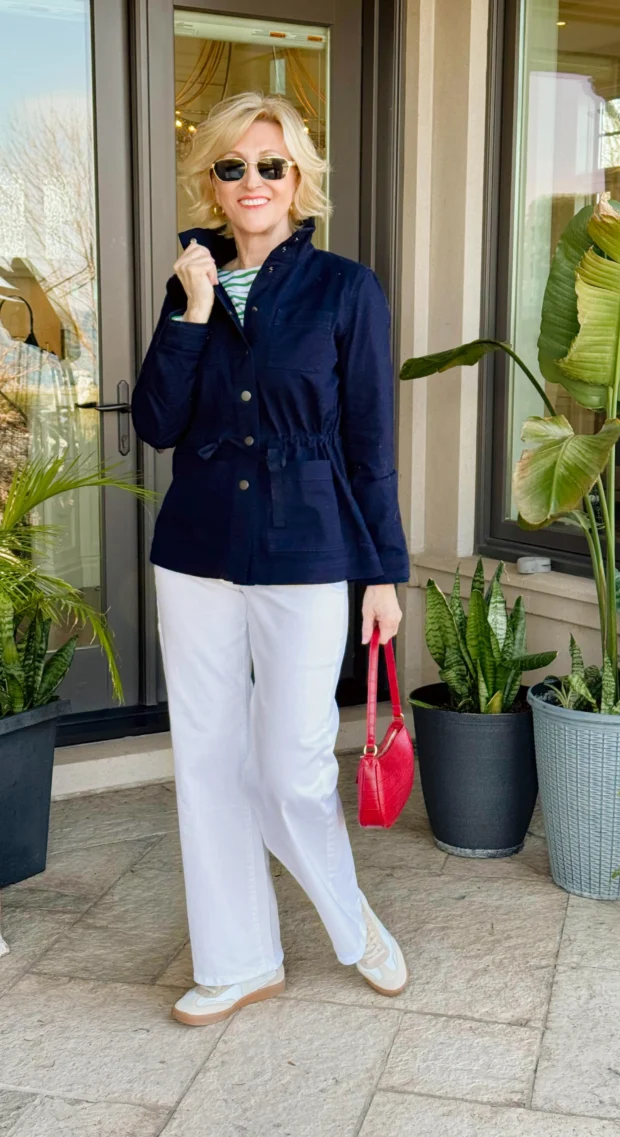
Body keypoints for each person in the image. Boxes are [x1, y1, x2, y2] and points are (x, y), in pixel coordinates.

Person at [132, 92, 410, 1027]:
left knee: (292, 766)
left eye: (270, 165)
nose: (251, 181)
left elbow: (370, 443)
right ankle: (238, 960)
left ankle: (351, 920)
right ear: (210, 181)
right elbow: (157, 422)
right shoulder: (190, 283)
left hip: (308, 550)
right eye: (232, 166)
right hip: (196, 551)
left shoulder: (346, 288)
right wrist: (191, 312)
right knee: (209, 762)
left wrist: (382, 573)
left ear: (299, 180)